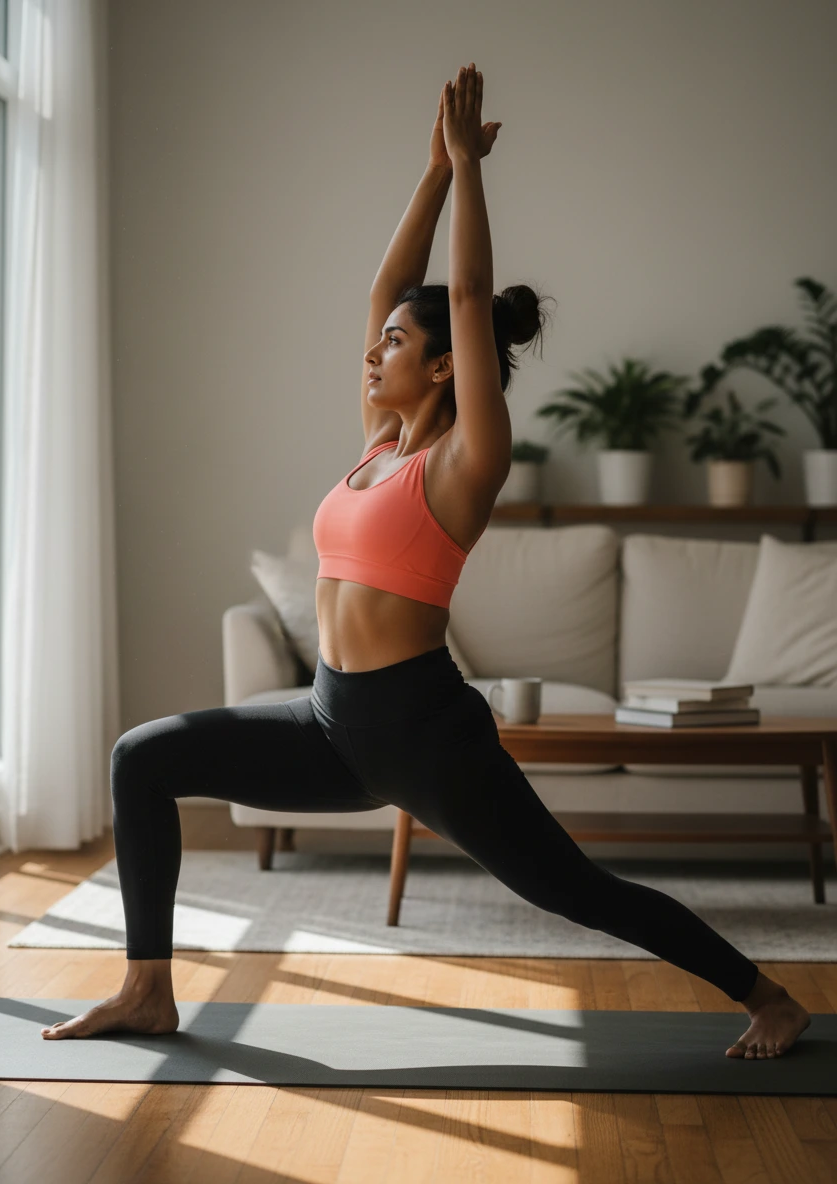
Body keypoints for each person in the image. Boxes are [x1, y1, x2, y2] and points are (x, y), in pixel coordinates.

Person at [42, 63, 810, 1060]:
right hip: (329, 719)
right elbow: (383, 287)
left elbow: (472, 291)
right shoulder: (377, 441)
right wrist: (432, 173)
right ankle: (148, 989)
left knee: (574, 888)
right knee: (142, 755)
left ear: (448, 364)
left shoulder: (464, 460)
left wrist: (468, 174)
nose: (374, 350)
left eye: (398, 341)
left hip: (426, 733)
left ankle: (770, 997)